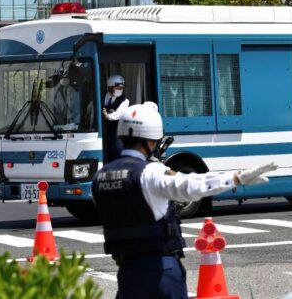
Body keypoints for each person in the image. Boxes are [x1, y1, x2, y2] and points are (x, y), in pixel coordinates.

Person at [92, 103, 277, 299]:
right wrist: (235, 178)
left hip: (127, 274)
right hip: (160, 270)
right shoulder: (149, 173)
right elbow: (189, 185)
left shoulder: (101, 177)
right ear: (152, 141)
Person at [102, 74, 129, 162]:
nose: (120, 90)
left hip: (116, 136)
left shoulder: (124, 100)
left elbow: (120, 113)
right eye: (117, 88)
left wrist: (108, 116)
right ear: (110, 87)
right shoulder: (100, 97)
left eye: (121, 88)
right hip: (102, 135)